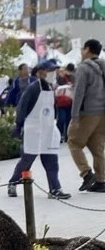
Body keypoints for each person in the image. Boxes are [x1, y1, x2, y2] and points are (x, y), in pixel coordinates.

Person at [6, 61, 71, 200]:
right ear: (40, 72)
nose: (53, 73)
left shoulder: (50, 87)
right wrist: (18, 125)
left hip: (48, 129)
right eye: (50, 70)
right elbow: (22, 106)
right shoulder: (33, 88)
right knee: (27, 160)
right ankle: (12, 183)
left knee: (51, 161)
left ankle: (55, 189)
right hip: (33, 130)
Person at [67, 39, 105, 193]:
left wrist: (74, 116)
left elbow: (79, 93)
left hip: (88, 112)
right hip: (102, 113)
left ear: (88, 49)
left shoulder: (84, 68)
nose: (81, 51)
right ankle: (101, 180)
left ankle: (86, 173)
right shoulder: (103, 65)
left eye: (83, 49)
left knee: (73, 142)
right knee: (97, 148)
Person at [54, 65, 74, 143]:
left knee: (68, 119)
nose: (62, 73)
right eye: (60, 71)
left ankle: (67, 136)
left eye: (63, 71)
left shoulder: (69, 78)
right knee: (61, 119)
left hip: (69, 102)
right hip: (61, 103)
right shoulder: (57, 80)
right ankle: (59, 135)